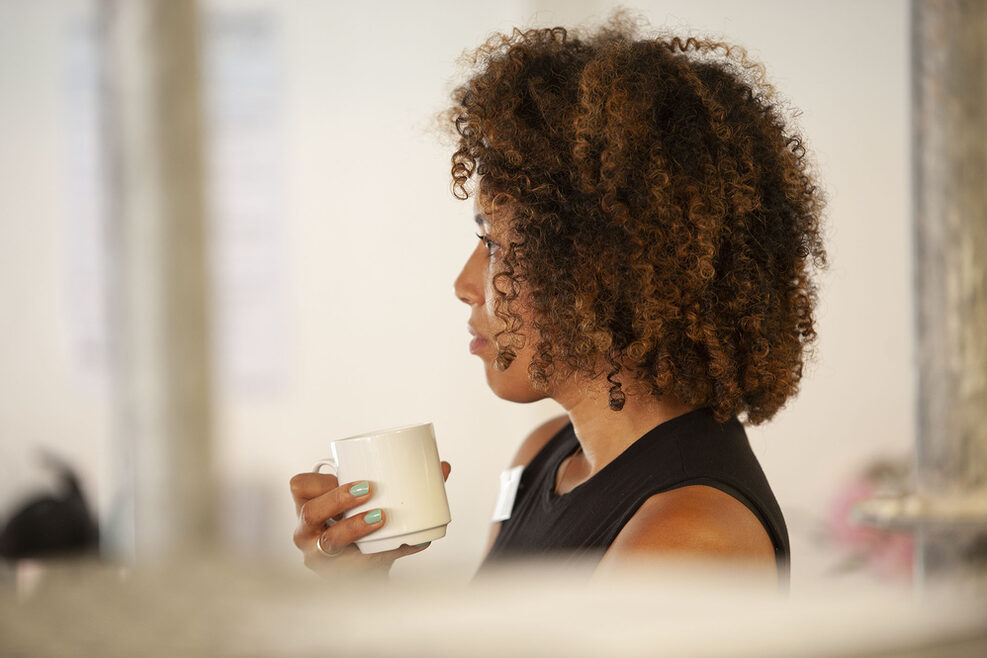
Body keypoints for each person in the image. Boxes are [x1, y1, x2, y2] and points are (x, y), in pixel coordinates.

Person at [289, 14, 826, 582]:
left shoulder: (688, 539)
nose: (464, 284)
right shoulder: (543, 455)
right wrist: (357, 582)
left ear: (603, 270)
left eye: (494, 243)